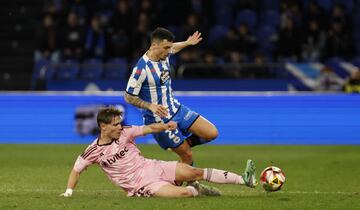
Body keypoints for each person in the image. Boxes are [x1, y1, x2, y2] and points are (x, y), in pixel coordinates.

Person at [60, 107, 257, 198]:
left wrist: (165, 126)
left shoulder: (126, 133)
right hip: (142, 184)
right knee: (183, 194)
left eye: (120, 123)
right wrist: (69, 192)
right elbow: (77, 170)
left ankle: (244, 180)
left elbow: (149, 129)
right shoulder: (93, 151)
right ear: (103, 127)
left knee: (195, 172)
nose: (120, 126)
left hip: (154, 167)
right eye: (116, 124)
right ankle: (198, 191)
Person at [124, 27, 218, 168]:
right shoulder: (141, 69)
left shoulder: (164, 54)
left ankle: (182, 145)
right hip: (159, 119)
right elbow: (128, 97)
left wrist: (187, 43)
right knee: (187, 155)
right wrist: (150, 106)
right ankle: (188, 186)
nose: (169, 51)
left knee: (211, 133)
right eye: (166, 48)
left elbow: (174, 47)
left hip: (176, 109)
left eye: (169, 47)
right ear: (154, 45)